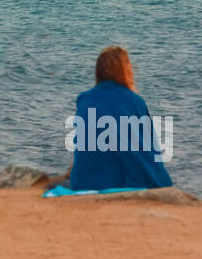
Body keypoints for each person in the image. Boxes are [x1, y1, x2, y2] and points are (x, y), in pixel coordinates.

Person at [69, 46, 172, 191]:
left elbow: (82, 143)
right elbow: (149, 149)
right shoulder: (135, 101)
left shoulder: (85, 99)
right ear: (125, 71)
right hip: (122, 182)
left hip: (84, 181)